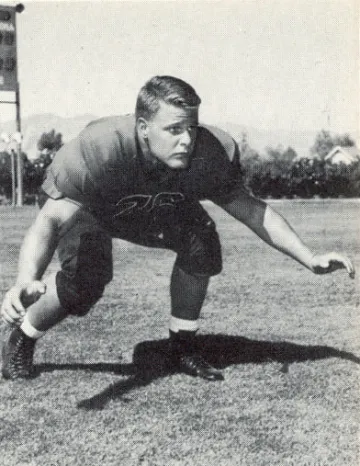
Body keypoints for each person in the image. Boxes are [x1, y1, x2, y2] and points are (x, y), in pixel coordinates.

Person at [1, 75, 355, 381]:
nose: (186, 139)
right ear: (143, 128)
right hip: (95, 210)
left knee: (201, 240)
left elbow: (251, 210)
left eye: (191, 127)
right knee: (86, 284)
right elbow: (50, 220)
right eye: (173, 129)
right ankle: (24, 336)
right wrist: (25, 279)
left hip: (154, 205)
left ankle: (182, 345)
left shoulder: (207, 152)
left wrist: (309, 257)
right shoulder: (101, 149)